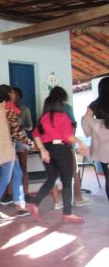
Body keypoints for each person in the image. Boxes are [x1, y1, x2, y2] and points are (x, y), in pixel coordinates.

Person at [29, 95, 89, 224]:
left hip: (47, 150)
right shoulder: (62, 116)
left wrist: (43, 150)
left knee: (51, 179)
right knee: (67, 181)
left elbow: (35, 135)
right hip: (62, 149)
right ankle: (67, 213)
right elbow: (67, 135)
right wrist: (80, 142)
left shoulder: (42, 119)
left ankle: (35, 203)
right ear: (59, 105)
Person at [0, 85, 35, 221]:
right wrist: (32, 144)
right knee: (5, 178)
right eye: (12, 92)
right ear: (7, 94)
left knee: (18, 173)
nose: (14, 95)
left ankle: (19, 205)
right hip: (6, 147)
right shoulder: (7, 108)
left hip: (0, 146)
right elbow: (16, 132)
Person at [48, 86, 91, 209]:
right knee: (73, 172)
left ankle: (57, 202)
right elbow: (73, 126)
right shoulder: (66, 108)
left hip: (50, 146)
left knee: (53, 175)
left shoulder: (47, 110)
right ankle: (79, 198)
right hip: (66, 145)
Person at [0, 87, 33, 204]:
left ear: (19, 96)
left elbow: (30, 126)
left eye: (14, 94)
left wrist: (21, 127)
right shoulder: (4, 107)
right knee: (9, 168)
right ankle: (8, 194)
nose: (12, 96)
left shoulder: (24, 110)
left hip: (20, 140)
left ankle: (26, 193)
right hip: (8, 141)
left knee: (23, 168)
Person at [82, 76, 109, 201]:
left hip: (104, 148)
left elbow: (86, 120)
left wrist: (95, 129)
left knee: (108, 177)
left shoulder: (95, 104)